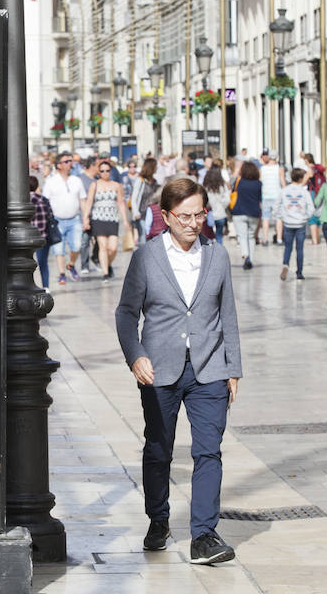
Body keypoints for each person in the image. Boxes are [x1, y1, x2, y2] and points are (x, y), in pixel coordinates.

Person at [115, 177, 242, 566]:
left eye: (199, 214)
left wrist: (233, 368)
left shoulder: (217, 255)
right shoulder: (146, 257)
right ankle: (158, 519)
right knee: (159, 448)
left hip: (210, 368)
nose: (193, 223)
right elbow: (126, 313)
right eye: (185, 216)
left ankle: (203, 535)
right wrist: (135, 356)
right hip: (159, 370)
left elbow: (228, 314)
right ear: (166, 216)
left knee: (209, 451)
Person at [42, 151, 88, 285]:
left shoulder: (76, 180)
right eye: (66, 161)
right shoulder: (51, 182)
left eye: (70, 161)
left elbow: (82, 200)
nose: (70, 164)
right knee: (58, 249)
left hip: (75, 219)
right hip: (57, 220)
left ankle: (71, 264)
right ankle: (62, 274)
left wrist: (85, 218)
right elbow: (45, 201)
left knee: (77, 246)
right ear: (59, 165)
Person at [84, 160, 130, 280]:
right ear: (99, 172)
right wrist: (85, 218)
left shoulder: (116, 185)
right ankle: (105, 273)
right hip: (98, 218)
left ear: (111, 171)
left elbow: (121, 203)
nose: (105, 173)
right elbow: (89, 202)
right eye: (102, 171)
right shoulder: (94, 185)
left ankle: (108, 265)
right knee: (103, 246)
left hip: (112, 219)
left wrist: (125, 220)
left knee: (113, 248)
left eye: (107, 170)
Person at [274, 168, 315, 280]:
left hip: (288, 223)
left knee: (288, 247)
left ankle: (285, 264)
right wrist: (305, 217)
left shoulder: (284, 191)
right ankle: (299, 272)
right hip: (300, 223)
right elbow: (311, 208)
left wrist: (282, 216)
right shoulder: (304, 192)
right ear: (301, 179)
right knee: (299, 249)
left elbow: (276, 206)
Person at [231, 161, 262, 269]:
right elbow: (260, 199)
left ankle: (246, 256)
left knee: (242, 236)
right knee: (251, 237)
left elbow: (231, 187)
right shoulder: (258, 184)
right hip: (254, 213)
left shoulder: (239, 181)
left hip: (239, 212)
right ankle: (251, 259)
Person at [30, 175, 53, 291]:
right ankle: (46, 287)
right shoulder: (44, 199)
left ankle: (29, 285)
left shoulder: (24, 200)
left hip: (28, 237)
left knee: (26, 263)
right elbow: (51, 216)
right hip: (43, 236)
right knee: (43, 263)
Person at [131, 158, 160, 246]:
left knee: (152, 237)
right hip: (142, 214)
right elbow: (134, 198)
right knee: (143, 238)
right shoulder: (140, 180)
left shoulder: (155, 182)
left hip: (153, 214)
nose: (157, 168)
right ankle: (143, 254)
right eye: (156, 166)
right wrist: (136, 212)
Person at [259, 153, 285, 245]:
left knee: (265, 218)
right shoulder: (279, 169)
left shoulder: (262, 169)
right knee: (278, 218)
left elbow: (260, 182)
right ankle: (279, 239)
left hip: (265, 195)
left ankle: (265, 239)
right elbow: (283, 183)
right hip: (277, 196)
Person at [203, 166, 230, 243]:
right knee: (219, 236)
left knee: (209, 237)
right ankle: (219, 250)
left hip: (210, 215)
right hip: (221, 214)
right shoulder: (223, 186)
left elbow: (205, 202)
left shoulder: (206, 187)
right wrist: (222, 207)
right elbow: (227, 200)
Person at [304, 153, 326, 244]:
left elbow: (305, 181)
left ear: (306, 160)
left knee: (312, 216)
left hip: (313, 193)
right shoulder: (317, 168)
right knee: (318, 215)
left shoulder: (310, 169)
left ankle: (314, 240)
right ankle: (318, 238)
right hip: (321, 193)